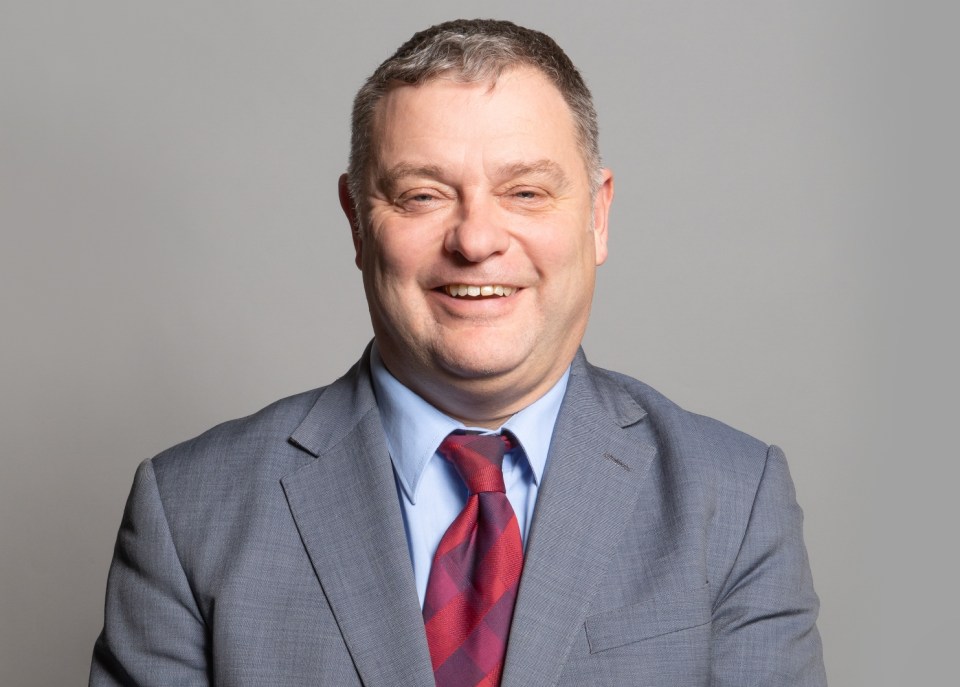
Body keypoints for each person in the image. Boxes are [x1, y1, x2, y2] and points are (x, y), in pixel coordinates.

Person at [90, 18, 826, 687]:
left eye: (527, 192)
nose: (475, 240)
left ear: (599, 216)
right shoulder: (190, 512)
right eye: (422, 195)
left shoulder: (731, 502)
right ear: (355, 221)